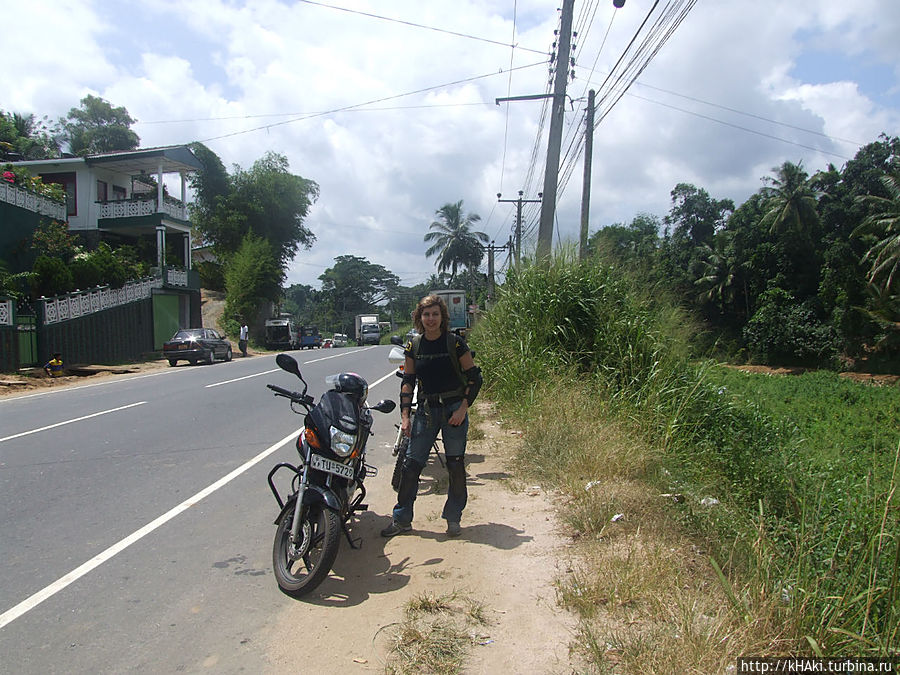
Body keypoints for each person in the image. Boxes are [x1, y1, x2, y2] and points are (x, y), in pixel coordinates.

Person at [381, 294, 483, 538]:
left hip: (453, 411)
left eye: (435, 314)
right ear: (419, 317)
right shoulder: (413, 346)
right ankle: (402, 519)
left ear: (442, 317)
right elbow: (408, 382)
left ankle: (453, 518)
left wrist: (462, 409)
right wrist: (405, 416)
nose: (430, 319)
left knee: (456, 465)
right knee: (411, 466)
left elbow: (474, 378)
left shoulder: (456, 344)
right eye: (426, 314)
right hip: (426, 412)